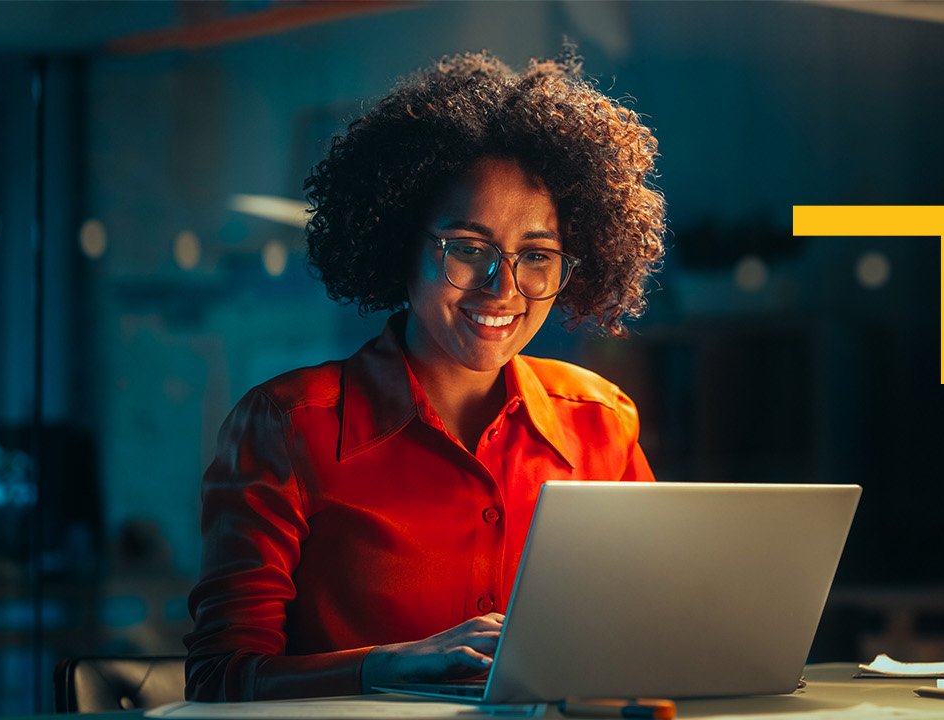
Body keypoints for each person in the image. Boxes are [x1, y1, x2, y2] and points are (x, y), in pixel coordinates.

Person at [183, 48, 667, 702]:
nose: (503, 289)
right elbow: (218, 679)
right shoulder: (288, 426)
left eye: (538, 256)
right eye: (468, 250)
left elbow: (648, 633)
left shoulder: (600, 423)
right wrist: (383, 666)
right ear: (400, 244)